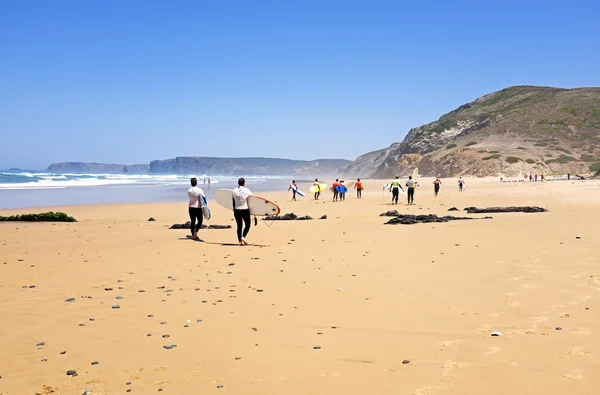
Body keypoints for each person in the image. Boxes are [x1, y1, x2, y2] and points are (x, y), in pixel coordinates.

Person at [232, 178, 253, 246]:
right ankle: (243, 237)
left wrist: (234, 209)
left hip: (237, 210)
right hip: (245, 210)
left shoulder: (234, 190)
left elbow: (233, 201)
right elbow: (252, 199)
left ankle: (239, 241)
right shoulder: (247, 190)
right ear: (244, 183)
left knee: (239, 226)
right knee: (248, 225)